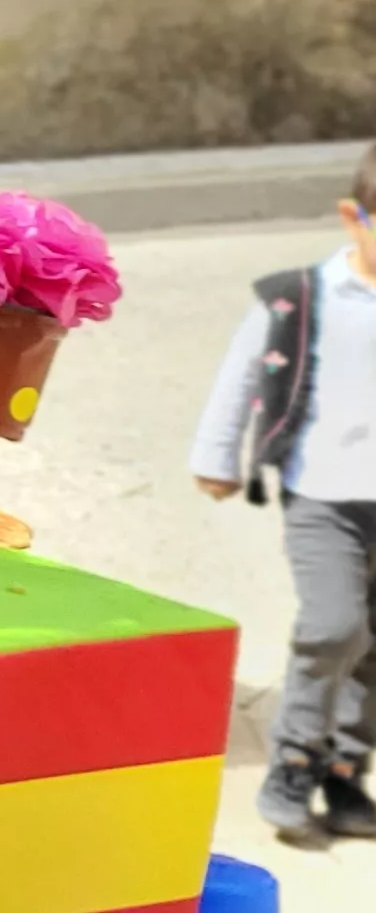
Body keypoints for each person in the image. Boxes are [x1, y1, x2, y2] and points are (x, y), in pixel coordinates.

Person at [191, 142, 376, 844]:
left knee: (372, 642)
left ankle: (345, 768)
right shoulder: (300, 297)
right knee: (334, 626)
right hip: (324, 497)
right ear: (353, 218)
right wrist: (217, 456)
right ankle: (295, 758)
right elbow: (242, 376)